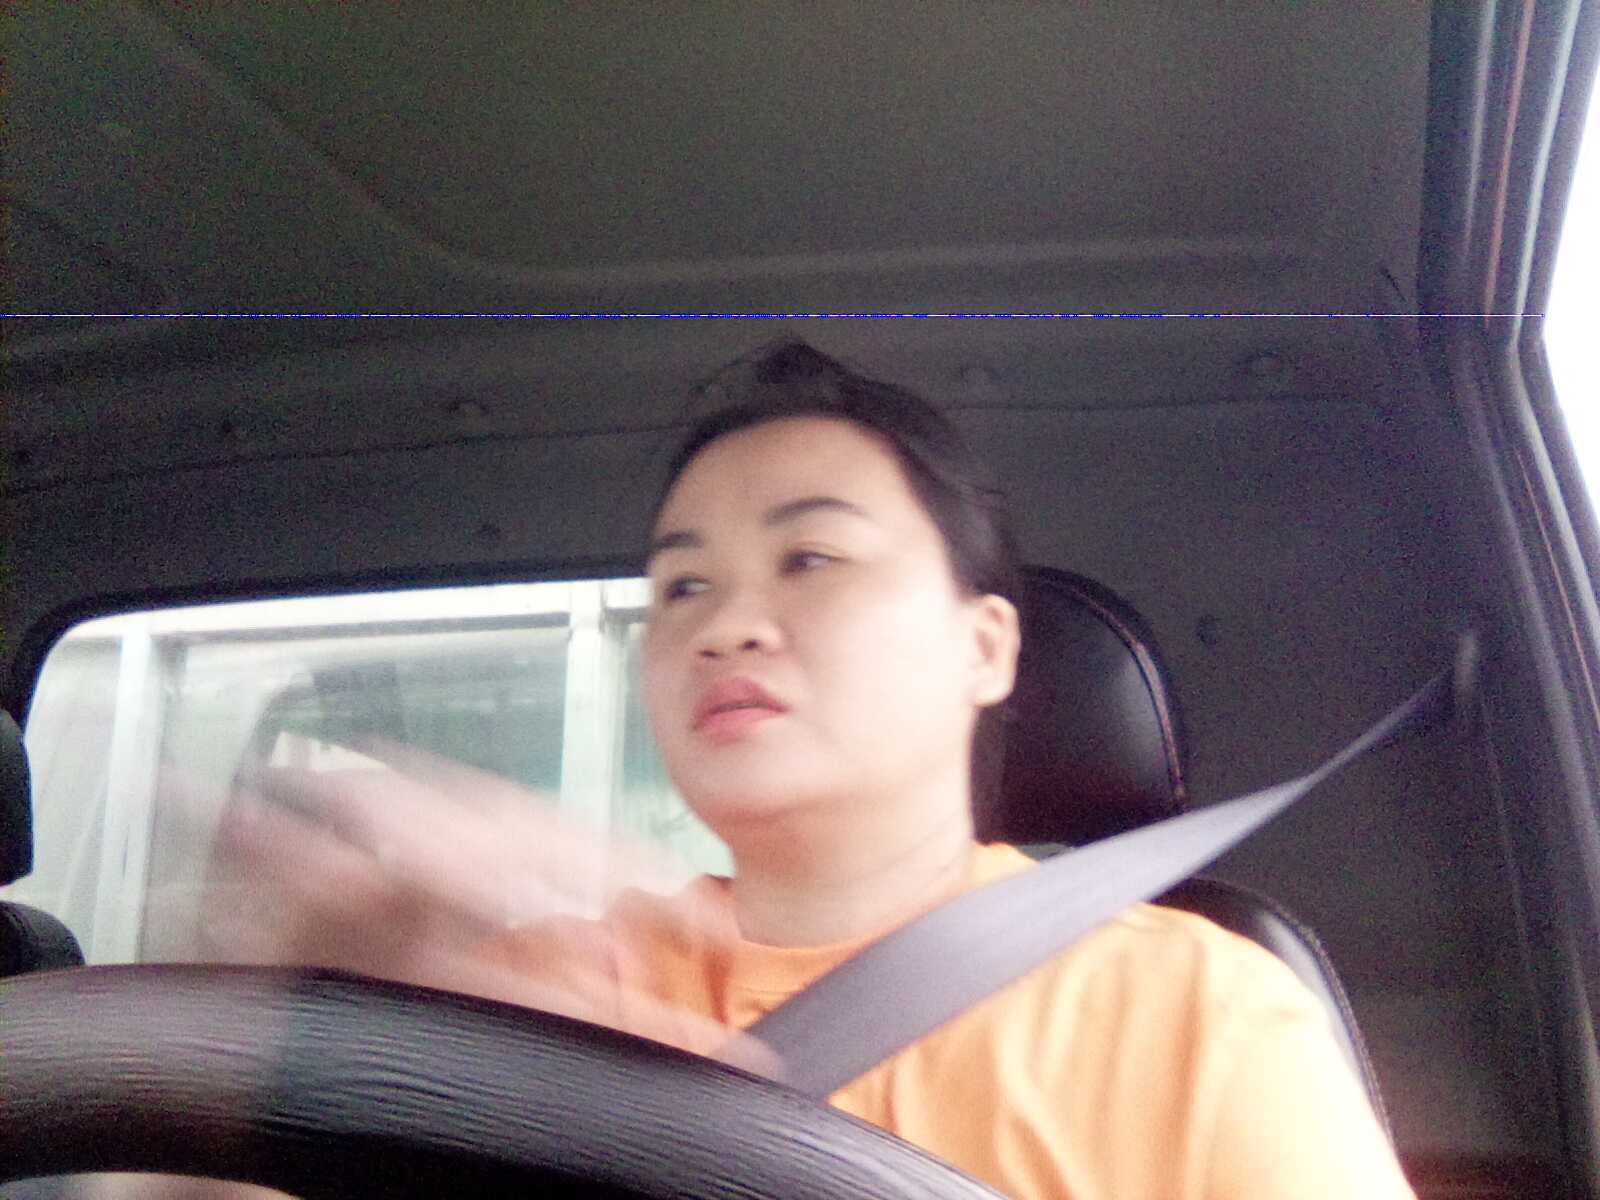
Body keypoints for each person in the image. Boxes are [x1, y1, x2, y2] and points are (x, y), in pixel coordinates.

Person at [196, 339, 1416, 1200]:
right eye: (682, 585)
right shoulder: (544, 992)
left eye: (812, 558)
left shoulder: (1190, 1011)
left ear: (983, 647)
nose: (723, 624)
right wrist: (289, 1035)